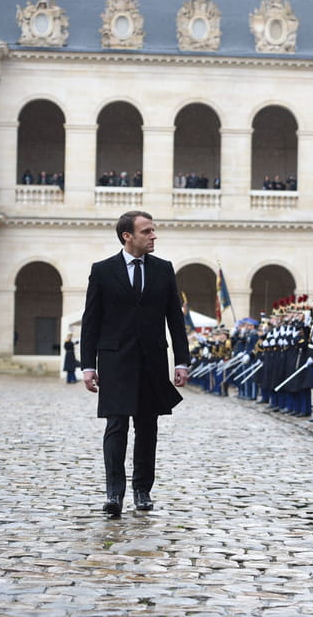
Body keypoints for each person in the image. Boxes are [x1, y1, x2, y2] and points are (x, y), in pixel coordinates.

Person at [81, 210, 190, 519]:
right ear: (127, 236)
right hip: (115, 359)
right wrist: (88, 366)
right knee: (116, 426)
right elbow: (91, 321)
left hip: (152, 359)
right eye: (147, 231)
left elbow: (175, 320)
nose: (153, 236)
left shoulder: (164, 270)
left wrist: (182, 360)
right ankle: (114, 492)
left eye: (153, 230)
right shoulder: (102, 271)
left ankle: (143, 490)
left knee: (147, 427)